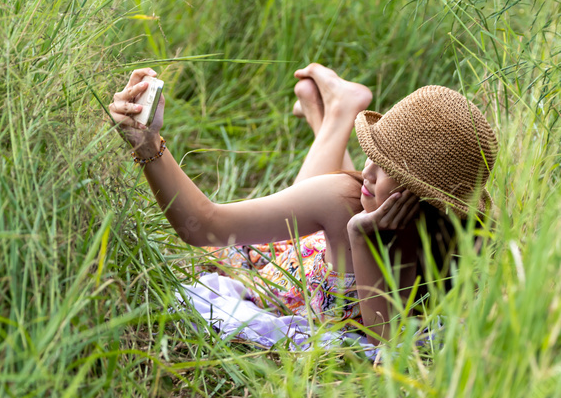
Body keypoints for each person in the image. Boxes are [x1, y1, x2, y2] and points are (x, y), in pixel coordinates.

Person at [109, 64, 498, 344]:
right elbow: (201, 225)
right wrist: (148, 142)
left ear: (427, 199)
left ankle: (330, 112)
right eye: (371, 155)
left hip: (333, 238)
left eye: (389, 169)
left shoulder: (453, 243)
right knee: (334, 194)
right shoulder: (342, 198)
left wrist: (360, 239)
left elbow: (387, 339)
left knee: (337, 194)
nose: (369, 172)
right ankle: (337, 111)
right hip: (291, 266)